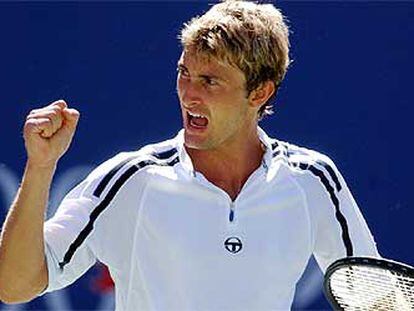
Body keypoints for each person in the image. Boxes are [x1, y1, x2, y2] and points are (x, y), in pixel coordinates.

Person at [0, 0, 379, 310]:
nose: (189, 94)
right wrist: (41, 165)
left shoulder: (312, 179)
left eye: (210, 81)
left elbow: (373, 300)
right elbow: (13, 286)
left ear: (259, 93)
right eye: (184, 73)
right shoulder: (132, 179)